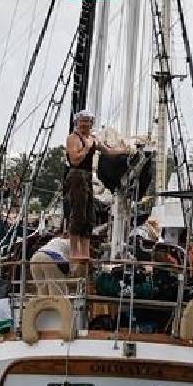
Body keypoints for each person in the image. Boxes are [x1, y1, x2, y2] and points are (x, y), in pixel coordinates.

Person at [64, 110, 128, 274]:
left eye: (88, 122)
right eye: (82, 121)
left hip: (87, 176)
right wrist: (86, 147)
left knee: (89, 216)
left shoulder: (93, 139)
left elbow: (107, 151)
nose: (86, 125)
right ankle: (74, 251)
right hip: (76, 174)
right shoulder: (74, 139)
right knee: (78, 212)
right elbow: (75, 159)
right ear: (77, 123)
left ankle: (84, 252)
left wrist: (125, 150)